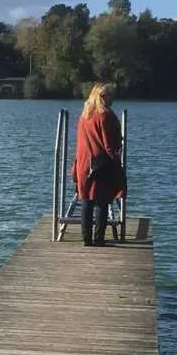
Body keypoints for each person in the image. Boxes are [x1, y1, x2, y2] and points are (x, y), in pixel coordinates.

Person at [72, 83, 124, 246]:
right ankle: (99, 239)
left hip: (83, 164)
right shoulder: (105, 116)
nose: (113, 99)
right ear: (103, 96)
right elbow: (108, 144)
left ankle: (86, 239)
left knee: (86, 200)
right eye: (110, 95)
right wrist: (116, 162)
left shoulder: (84, 115)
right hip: (100, 164)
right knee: (102, 200)